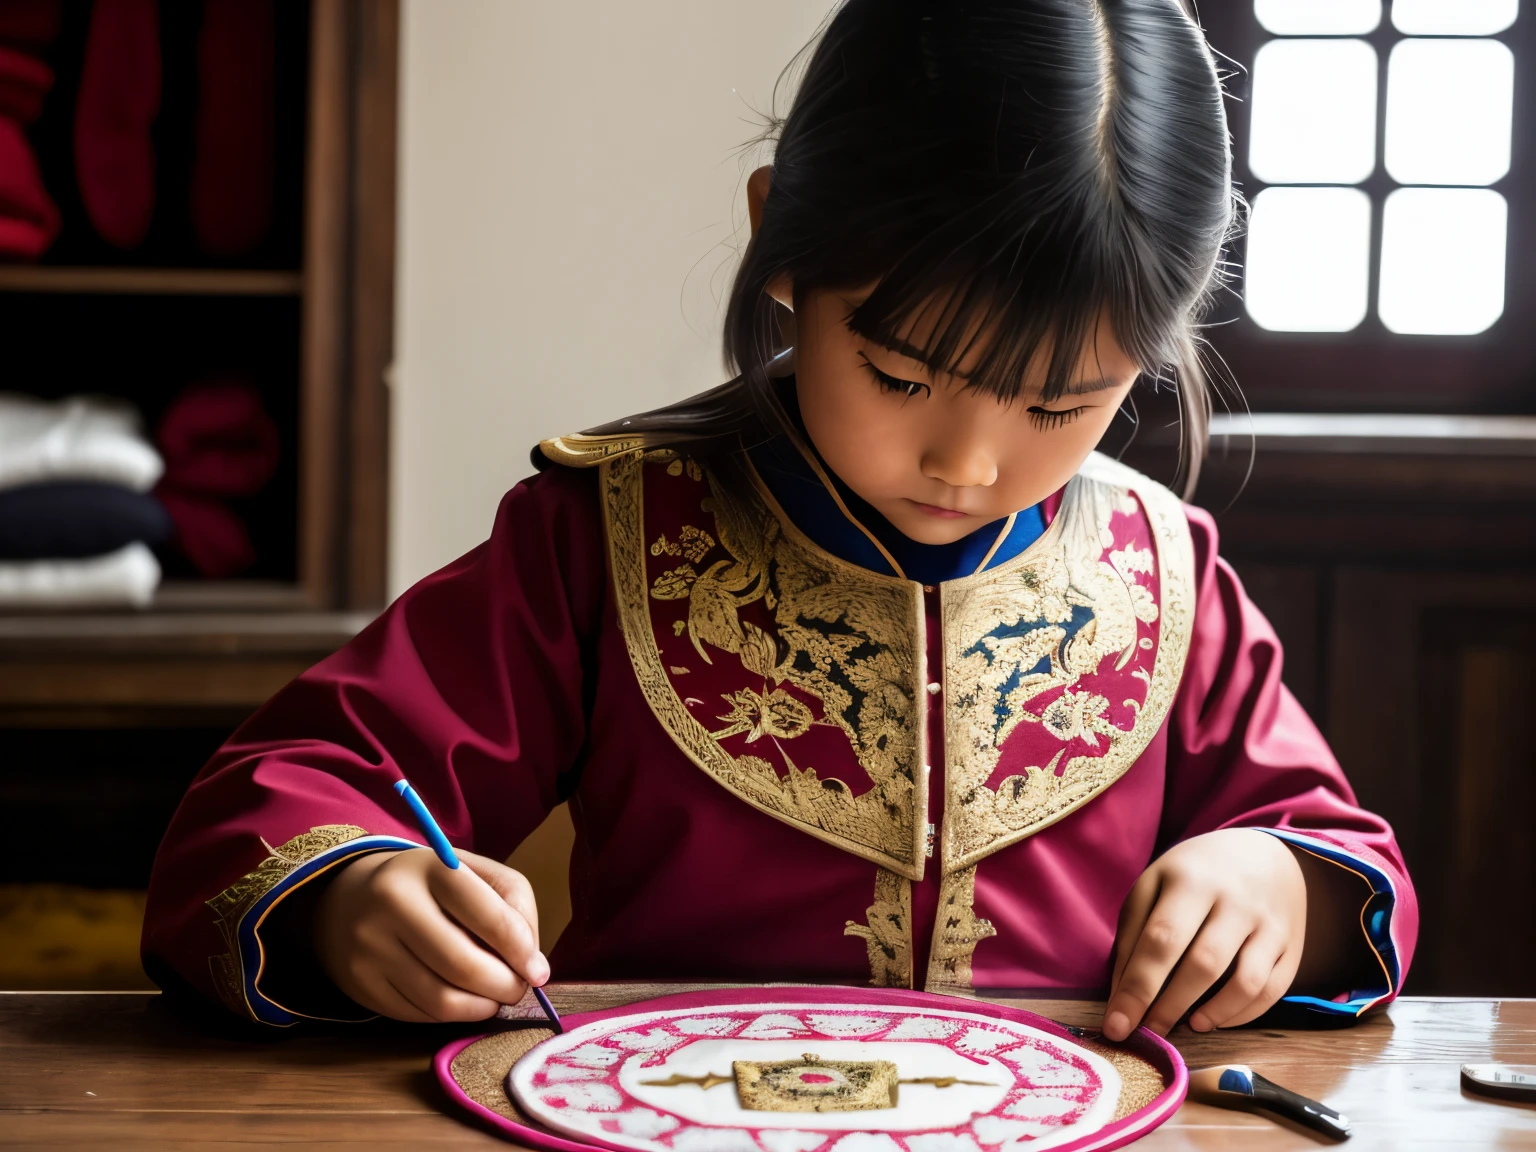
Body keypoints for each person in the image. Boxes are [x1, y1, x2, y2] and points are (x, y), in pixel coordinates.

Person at [142, 0, 1415, 1042]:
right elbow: (275, 798)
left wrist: (1279, 885)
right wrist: (352, 894)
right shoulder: (604, 536)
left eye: (1061, 400)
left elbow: (1341, 855)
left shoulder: (1166, 577)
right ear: (782, 247)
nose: (968, 461)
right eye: (904, 378)